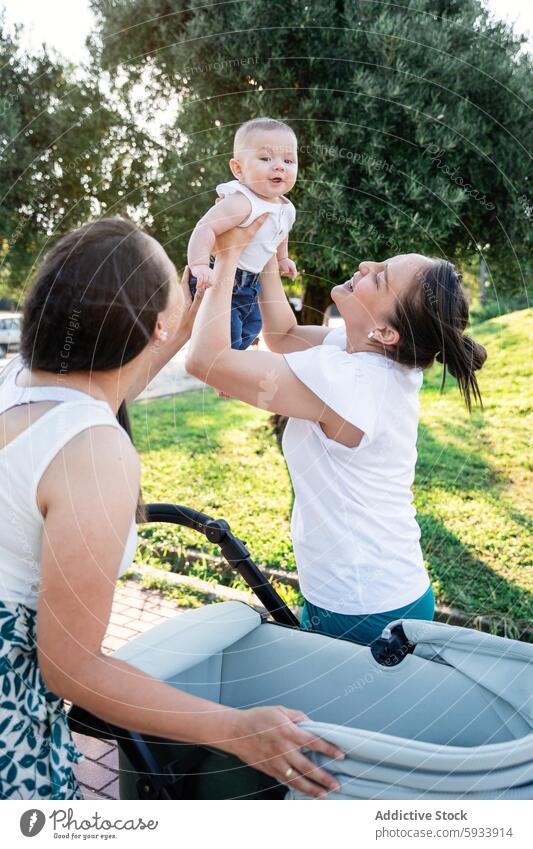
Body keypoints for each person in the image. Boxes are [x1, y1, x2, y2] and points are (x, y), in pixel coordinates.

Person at [0, 217, 343, 801]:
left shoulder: (21, 384)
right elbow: (72, 669)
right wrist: (234, 730)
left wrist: (228, 256)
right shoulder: (91, 450)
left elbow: (133, 365)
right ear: (155, 326)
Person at [186, 225, 487, 645]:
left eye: (378, 277)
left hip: (363, 607)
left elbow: (205, 361)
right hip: (370, 594)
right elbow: (283, 337)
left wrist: (229, 258)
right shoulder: (362, 352)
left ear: (385, 332)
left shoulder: (354, 384)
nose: (365, 266)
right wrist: (266, 249)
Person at [187, 117, 298, 349]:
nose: (279, 166)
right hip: (221, 277)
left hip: (250, 283)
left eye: (288, 160)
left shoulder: (286, 208)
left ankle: (228, 372)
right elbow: (205, 226)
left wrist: (283, 258)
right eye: (266, 158)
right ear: (238, 168)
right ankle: (223, 372)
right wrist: (198, 265)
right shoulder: (242, 201)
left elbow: (281, 232)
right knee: (228, 337)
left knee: (252, 326)